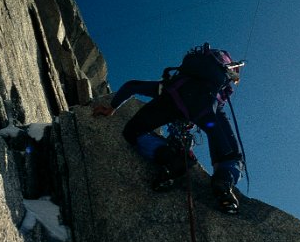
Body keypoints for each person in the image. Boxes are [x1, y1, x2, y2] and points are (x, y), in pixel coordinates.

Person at [93, 43, 246, 214]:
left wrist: (111, 109)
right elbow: (225, 146)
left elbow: (132, 86)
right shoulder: (215, 103)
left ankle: (172, 159)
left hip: (171, 99)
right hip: (207, 112)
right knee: (231, 156)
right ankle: (223, 184)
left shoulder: (172, 84)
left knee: (133, 132)